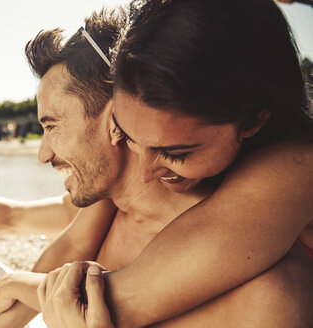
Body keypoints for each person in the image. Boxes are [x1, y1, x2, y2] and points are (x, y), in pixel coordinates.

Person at [0, 4, 312, 328]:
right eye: (136, 136)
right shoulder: (106, 200)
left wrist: (21, 286)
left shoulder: (272, 222)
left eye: (52, 125)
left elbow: (110, 299)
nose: (148, 164)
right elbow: (11, 217)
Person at [35, 0, 313, 327]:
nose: (145, 173)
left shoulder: (294, 169)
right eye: (130, 135)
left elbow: (120, 299)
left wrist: (13, 285)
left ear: (252, 122)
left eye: (175, 153)